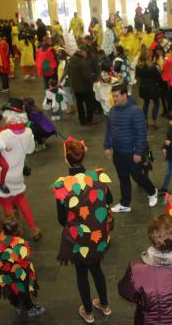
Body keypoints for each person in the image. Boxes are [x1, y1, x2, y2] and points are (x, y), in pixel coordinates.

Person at [52, 138, 114, 323]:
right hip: (98, 234)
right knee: (96, 268)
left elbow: (62, 219)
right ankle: (105, 305)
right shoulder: (98, 176)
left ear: (66, 159)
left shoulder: (63, 185)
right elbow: (108, 198)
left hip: (77, 237)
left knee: (81, 272)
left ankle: (88, 311)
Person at [104, 84, 158, 213]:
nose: (114, 99)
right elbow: (110, 130)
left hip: (132, 153)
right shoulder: (113, 111)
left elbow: (141, 134)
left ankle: (152, 191)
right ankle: (125, 203)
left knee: (138, 177)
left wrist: (138, 152)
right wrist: (107, 146)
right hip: (118, 152)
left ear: (124, 95)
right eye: (113, 96)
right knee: (123, 178)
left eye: (116, 96)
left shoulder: (135, 111)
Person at [0, 99, 40, 240]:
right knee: (21, 199)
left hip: (1, 175)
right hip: (17, 174)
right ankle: (33, 228)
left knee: (7, 203)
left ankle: (12, 235)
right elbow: (30, 150)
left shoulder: (4, 135)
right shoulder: (29, 132)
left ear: (8, 115)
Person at [0, 215, 45, 318]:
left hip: (5, 271)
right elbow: (25, 255)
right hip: (19, 272)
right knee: (24, 289)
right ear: (17, 231)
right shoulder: (20, 242)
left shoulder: (1, 238)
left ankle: (18, 305)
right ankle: (30, 308)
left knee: (12, 290)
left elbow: (0, 252)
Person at [68, 46, 98, 126]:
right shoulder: (82, 62)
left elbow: (68, 72)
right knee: (89, 104)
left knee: (79, 104)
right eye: (86, 53)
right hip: (85, 87)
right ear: (82, 52)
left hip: (76, 87)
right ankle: (89, 119)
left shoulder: (71, 60)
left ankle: (82, 121)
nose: (87, 55)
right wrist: (93, 79)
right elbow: (87, 76)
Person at [135, 47, 161, 129]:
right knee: (156, 103)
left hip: (143, 87)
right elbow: (158, 77)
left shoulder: (138, 66)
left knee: (146, 103)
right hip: (153, 87)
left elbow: (137, 76)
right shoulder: (153, 67)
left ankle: (145, 121)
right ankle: (153, 121)